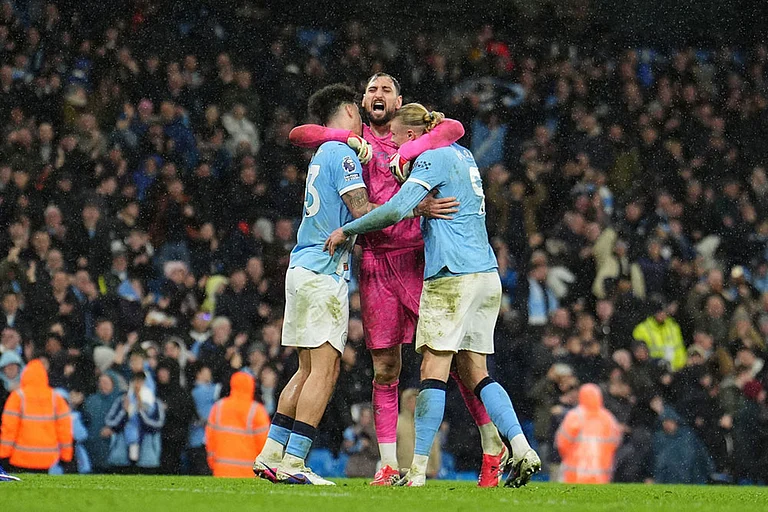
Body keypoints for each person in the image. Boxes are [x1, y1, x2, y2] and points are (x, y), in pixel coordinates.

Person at [291, 73, 508, 487]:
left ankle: (491, 448)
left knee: (458, 363)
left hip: (418, 260)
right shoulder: (353, 143)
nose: (378, 94)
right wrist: (347, 138)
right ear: (362, 102)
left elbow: (454, 128)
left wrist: (416, 146)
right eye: (371, 89)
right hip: (375, 263)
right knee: (385, 368)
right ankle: (387, 463)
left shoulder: (409, 135)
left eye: (386, 89)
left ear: (400, 100)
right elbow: (301, 134)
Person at [325, 103, 541, 487]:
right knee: (478, 374)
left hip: (452, 275)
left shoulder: (432, 158)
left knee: (432, 374)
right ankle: (521, 446)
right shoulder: (464, 153)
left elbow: (393, 211)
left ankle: (418, 471)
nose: (392, 143)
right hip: (486, 274)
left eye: (396, 135)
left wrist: (349, 229)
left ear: (411, 136)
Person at [253, 84, 456, 486]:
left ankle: (271, 453)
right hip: (323, 272)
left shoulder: (327, 151)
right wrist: (414, 207)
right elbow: (362, 209)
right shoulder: (345, 152)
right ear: (351, 108)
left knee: (305, 370)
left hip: (302, 267)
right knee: (324, 373)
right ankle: (294, 462)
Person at [0, 359, 73, 473]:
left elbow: (9, 428)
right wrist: (66, 456)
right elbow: (65, 430)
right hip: (47, 457)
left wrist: (4, 453)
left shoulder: (18, 397)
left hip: (21, 456)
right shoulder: (55, 398)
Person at [554, 383, 622, 483]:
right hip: (601, 475)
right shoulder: (608, 418)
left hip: (575, 473)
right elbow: (616, 442)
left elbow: (561, 443)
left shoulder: (575, 416)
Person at [206, 371, 269, 477]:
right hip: (249, 471)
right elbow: (264, 443)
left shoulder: (218, 407)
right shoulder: (256, 410)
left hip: (222, 469)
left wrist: (212, 462)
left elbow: (210, 439)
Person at [104, 371, 165, 473]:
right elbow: (110, 422)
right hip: (122, 454)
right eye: (135, 381)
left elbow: (157, 426)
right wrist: (124, 412)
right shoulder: (122, 400)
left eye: (141, 382)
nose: (137, 385)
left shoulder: (155, 404)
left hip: (147, 455)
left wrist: (141, 410)